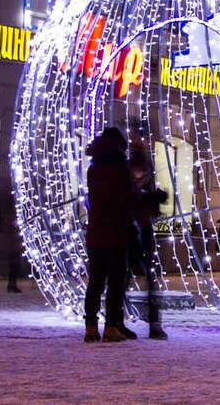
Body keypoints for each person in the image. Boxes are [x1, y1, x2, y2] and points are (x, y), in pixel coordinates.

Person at [83, 127, 136, 343]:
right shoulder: (120, 167)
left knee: (95, 281)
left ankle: (90, 327)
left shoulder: (93, 168)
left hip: (95, 231)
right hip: (116, 231)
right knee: (115, 281)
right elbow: (124, 199)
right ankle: (111, 327)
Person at [129, 139, 168, 340]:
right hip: (132, 228)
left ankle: (153, 323)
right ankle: (117, 322)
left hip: (141, 227)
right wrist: (151, 198)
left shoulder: (144, 167)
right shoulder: (130, 167)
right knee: (129, 277)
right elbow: (131, 196)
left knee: (147, 280)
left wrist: (155, 200)